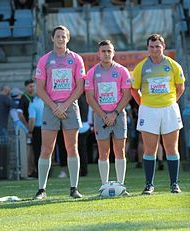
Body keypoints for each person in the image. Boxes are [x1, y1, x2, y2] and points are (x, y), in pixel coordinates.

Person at [34, 25, 86, 199]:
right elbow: (40, 89)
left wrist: (65, 105)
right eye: (58, 36)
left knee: (72, 148)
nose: (61, 39)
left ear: (68, 39)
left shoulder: (77, 59)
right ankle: (41, 189)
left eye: (64, 36)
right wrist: (55, 106)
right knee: (46, 148)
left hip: (70, 107)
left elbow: (80, 87)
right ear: (52, 38)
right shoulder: (44, 60)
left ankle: (74, 188)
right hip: (51, 108)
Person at [131, 34, 185, 195]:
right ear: (148, 48)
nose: (155, 50)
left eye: (158, 46)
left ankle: (174, 184)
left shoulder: (173, 65)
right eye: (152, 47)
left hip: (169, 109)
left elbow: (180, 87)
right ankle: (149, 185)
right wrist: (143, 104)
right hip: (148, 110)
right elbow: (134, 89)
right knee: (150, 149)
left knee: (171, 148)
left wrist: (170, 102)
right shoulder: (141, 67)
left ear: (163, 47)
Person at [85, 40, 131, 187]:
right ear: (99, 53)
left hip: (118, 115)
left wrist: (114, 113)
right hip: (100, 116)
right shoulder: (92, 72)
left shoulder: (122, 71)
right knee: (103, 152)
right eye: (103, 51)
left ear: (113, 53)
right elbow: (89, 98)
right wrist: (105, 116)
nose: (106, 54)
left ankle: (121, 184)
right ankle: (104, 185)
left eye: (109, 51)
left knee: (120, 151)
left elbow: (127, 95)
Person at [28, 96, 44, 177]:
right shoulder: (45, 102)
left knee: (37, 152)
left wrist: (30, 131)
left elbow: (32, 120)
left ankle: (39, 172)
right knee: (47, 151)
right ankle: (47, 171)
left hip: (37, 129)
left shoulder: (33, 104)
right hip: (48, 128)